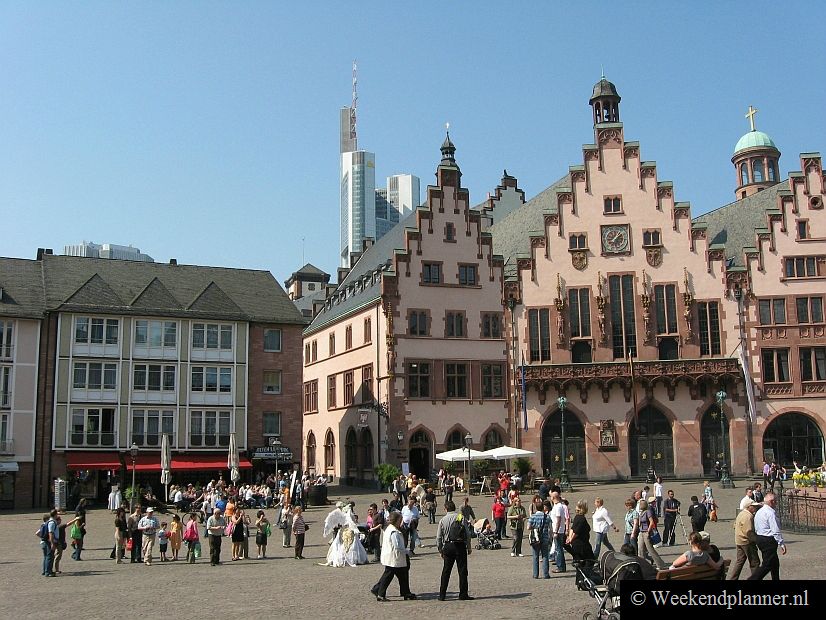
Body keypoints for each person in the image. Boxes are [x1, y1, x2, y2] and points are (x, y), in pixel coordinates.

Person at [371, 511, 416, 601]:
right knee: (388, 576)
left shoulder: (390, 529)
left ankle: (405, 592)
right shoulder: (393, 531)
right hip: (394, 557)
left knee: (402, 575)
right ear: (396, 520)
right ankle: (380, 593)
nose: (401, 522)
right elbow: (398, 546)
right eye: (400, 520)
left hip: (394, 557)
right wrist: (407, 552)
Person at [437, 500, 473, 601]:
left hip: (448, 546)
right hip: (460, 546)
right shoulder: (460, 517)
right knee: (462, 571)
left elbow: (439, 537)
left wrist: (440, 549)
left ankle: (442, 595)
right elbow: (468, 533)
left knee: (446, 571)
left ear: (445, 509)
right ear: (454, 508)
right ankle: (463, 594)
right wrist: (469, 547)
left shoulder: (442, 520)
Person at [748, 493, 786, 581]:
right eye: (775, 501)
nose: (776, 503)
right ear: (772, 502)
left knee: (774, 562)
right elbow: (775, 530)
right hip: (768, 540)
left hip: (760, 538)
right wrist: (782, 543)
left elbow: (756, 525)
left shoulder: (759, 511)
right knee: (767, 564)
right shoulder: (770, 513)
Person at [728, 499, 760, 580]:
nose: (755, 508)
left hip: (739, 541)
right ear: (749, 507)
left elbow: (734, 525)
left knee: (739, 561)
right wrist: (757, 540)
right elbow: (748, 532)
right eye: (754, 506)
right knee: (754, 562)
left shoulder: (741, 513)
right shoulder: (748, 516)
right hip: (747, 542)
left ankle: (733, 578)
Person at [636, 500, 667, 569]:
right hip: (641, 532)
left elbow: (651, 522)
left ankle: (660, 564)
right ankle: (642, 565)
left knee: (650, 549)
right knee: (640, 549)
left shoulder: (648, 511)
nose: (640, 505)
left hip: (646, 532)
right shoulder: (641, 513)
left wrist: (648, 531)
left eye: (641, 504)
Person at [566, 499, 595, 565]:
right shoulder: (582, 519)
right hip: (582, 545)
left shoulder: (577, 517)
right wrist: (571, 539)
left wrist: (570, 538)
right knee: (590, 561)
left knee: (580, 564)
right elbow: (576, 532)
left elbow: (572, 529)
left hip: (576, 544)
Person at [528, 500, 551, 579]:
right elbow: (550, 528)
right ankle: (546, 574)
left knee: (535, 556)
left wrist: (535, 527)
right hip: (544, 538)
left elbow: (528, 527)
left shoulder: (533, 516)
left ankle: (535, 574)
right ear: (543, 508)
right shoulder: (547, 517)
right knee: (545, 556)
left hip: (535, 539)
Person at [549, 492, 567, 573]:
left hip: (558, 531)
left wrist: (555, 531)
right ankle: (561, 566)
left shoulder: (558, 507)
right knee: (558, 548)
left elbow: (558, 519)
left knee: (558, 549)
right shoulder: (556, 506)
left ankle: (560, 567)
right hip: (558, 530)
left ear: (553, 497)